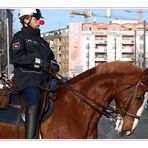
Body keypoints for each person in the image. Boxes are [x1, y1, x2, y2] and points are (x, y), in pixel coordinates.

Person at [10, 9, 59, 139]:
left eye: (39, 18)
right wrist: (39, 63)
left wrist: (54, 65)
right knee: (34, 101)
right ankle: (30, 139)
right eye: (36, 17)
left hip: (45, 81)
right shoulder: (20, 37)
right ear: (26, 20)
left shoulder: (43, 42)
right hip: (28, 80)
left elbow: (51, 59)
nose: (39, 21)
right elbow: (16, 58)